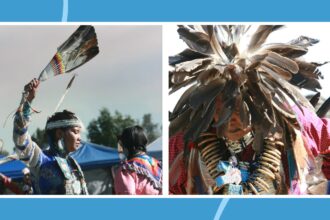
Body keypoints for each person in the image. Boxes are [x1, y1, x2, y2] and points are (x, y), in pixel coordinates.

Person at [169, 25, 330, 195]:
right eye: (221, 106)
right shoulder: (185, 142)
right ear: (208, 103)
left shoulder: (295, 123)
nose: (231, 118)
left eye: (240, 106)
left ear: (260, 100)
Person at [13, 78, 88, 194]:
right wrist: (27, 101)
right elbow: (21, 140)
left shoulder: (73, 164)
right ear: (59, 133)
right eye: (75, 132)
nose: (79, 138)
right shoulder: (40, 160)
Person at [114, 126, 162, 195]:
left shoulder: (127, 169)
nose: (120, 150)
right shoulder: (159, 166)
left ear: (127, 146)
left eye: (121, 146)